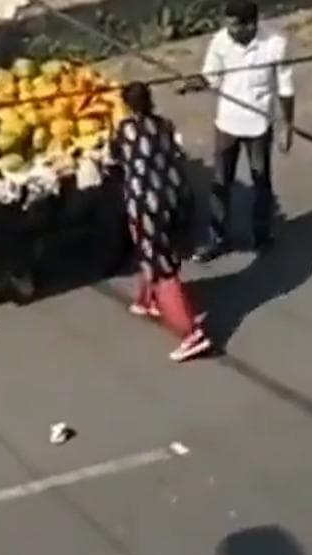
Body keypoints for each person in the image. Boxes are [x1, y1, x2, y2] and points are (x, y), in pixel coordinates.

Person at [108, 81, 213, 362]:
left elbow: (115, 159)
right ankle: (148, 300)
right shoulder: (164, 124)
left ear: (127, 105)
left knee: (160, 265)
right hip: (171, 198)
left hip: (146, 205)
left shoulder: (125, 130)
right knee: (152, 249)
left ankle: (190, 333)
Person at [184, 0, 296, 262]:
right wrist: (194, 83)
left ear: (251, 24)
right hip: (227, 123)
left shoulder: (276, 44)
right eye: (227, 24)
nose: (228, 30)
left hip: (259, 124)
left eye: (234, 25)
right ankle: (217, 239)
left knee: (260, 181)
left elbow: (285, 89)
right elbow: (211, 76)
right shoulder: (220, 41)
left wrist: (286, 125)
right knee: (220, 181)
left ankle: (261, 234)